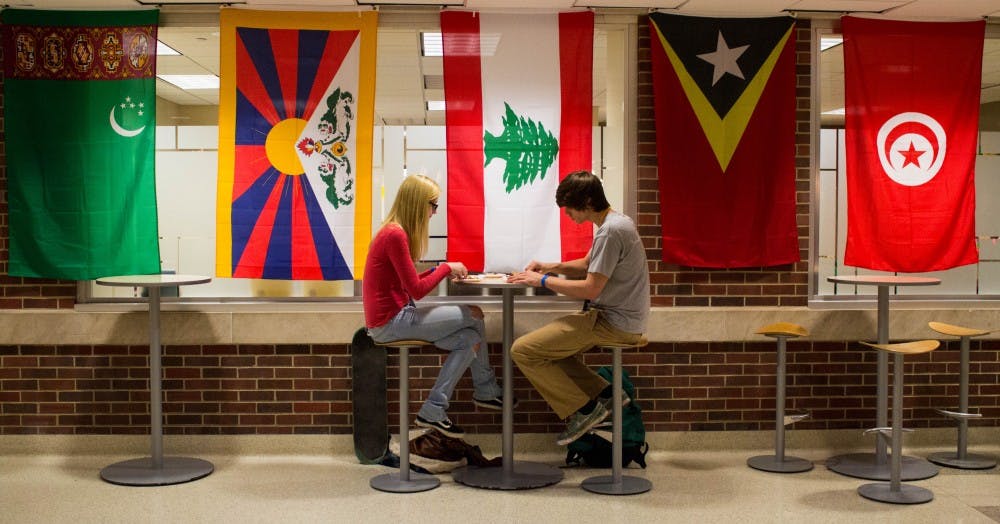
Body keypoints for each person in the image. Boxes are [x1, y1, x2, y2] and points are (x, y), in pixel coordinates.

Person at [508, 170, 649, 446]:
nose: (567, 214)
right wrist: (549, 265)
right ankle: (607, 394)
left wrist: (543, 280)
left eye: (569, 208)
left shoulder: (610, 231)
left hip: (613, 322)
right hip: (618, 318)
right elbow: (587, 265)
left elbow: (590, 288)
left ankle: (584, 412)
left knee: (522, 350)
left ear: (586, 202)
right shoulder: (616, 223)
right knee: (550, 351)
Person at [363, 174, 506, 438]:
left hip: (393, 318)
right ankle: (486, 390)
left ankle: (434, 409)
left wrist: (438, 271)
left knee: (470, 338)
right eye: (433, 204)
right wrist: (446, 267)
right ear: (418, 203)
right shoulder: (395, 235)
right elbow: (417, 291)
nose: (434, 211)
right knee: (475, 314)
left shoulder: (393, 232)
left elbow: (409, 284)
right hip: (392, 322)